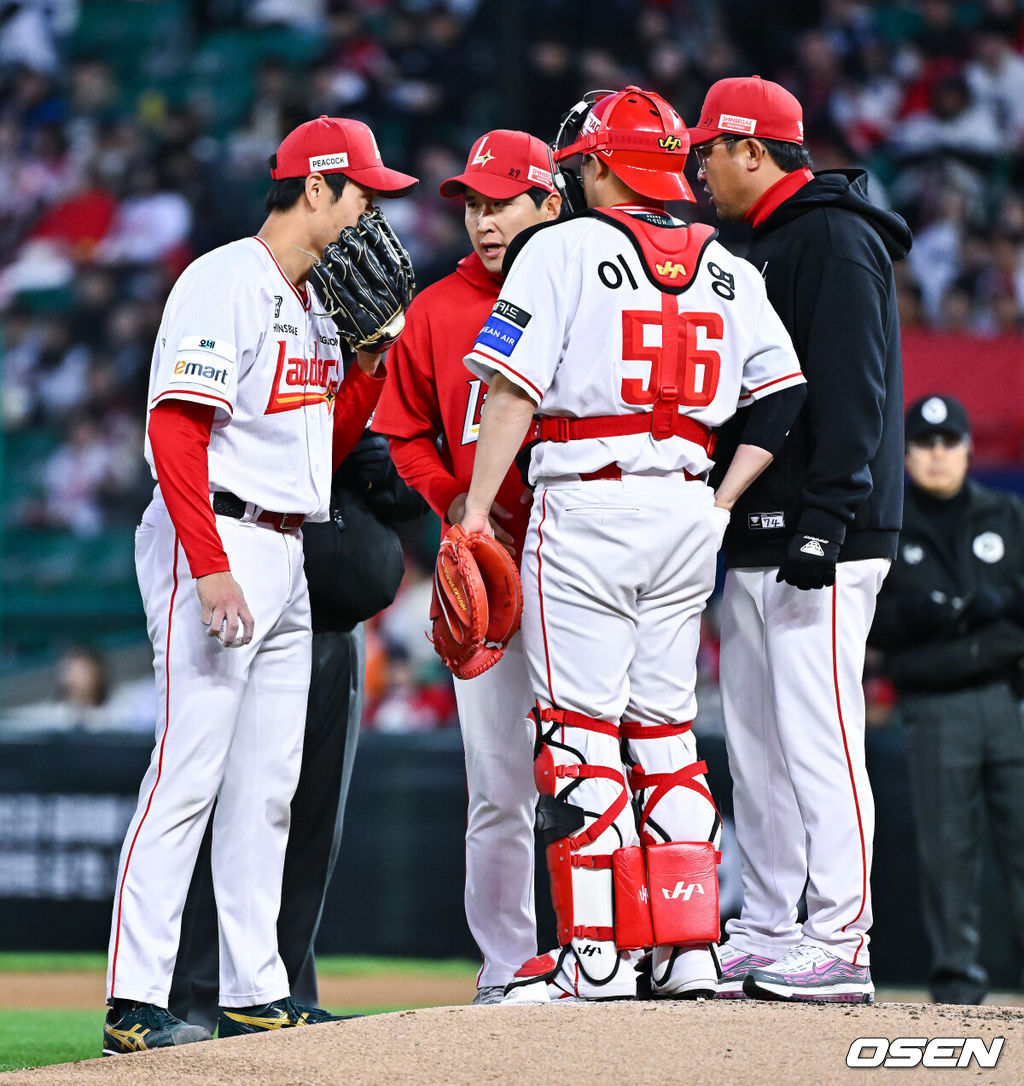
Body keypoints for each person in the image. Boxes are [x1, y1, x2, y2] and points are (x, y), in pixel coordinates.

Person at [458, 86, 806, 1002]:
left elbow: (511, 395)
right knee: (664, 733)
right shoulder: (728, 264)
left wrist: (470, 516)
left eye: (577, 166)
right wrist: (720, 501)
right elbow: (783, 394)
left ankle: (597, 961)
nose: (572, 179)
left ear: (604, 166)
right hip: (688, 506)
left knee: (577, 737)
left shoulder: (559, 248)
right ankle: (689, 952)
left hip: (587, 501)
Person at [102, 115, 418, 1055]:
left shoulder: (322, 299)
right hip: (222, 536)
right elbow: (176, 433)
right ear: (315, 187)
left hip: (290, 543)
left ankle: (254, 991)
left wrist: (368, 361)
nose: (372, 212)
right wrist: (205, 566)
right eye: (363, 192)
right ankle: (134, 999)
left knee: (268, 787)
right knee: (189, 771)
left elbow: (327, 434)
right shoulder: (222, 280)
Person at [689, 76, 912, 1003]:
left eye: (709, 149)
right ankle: (772, 923)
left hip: (826, 535)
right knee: (756, 741)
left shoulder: (834, 235)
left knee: (818, 736)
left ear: (753, 149)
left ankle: (841, 938)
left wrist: (824, 521)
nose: (697, 166)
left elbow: (854, 392)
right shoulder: (765, 243)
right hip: (757, 534)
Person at [371, 129, 561, 1004]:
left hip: (580, 555)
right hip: (485, 567)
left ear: (548, 202)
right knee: (498, 781)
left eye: (502, 201)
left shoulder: (589, 285)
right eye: (475, 205)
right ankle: (507, 964)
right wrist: (455, 499)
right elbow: (401, 428)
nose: (485, 221)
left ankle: (624, 947)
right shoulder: (437, 309)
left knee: (614, 762)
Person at [168, 431, 427, 1033]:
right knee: (238, 814)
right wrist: (358, 460)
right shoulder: (278, 385)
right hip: (254, 611)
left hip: (336, 626)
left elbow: (400, 487)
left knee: (310, 827)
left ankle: (277, 990)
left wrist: (368, 459)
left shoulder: (345, 376)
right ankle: (204, 996)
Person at [870, 393, 1024, 1005]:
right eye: (924, 446)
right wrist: (921, 616)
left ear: (967, 448)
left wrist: (979, 613)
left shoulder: (1006, 515)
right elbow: (871, 622)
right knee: (947, 850)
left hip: (1009, 699)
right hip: (934, 708)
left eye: (948, 443)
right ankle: (958, 984)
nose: (937, 455)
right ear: (905, 455)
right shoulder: (889, 524)